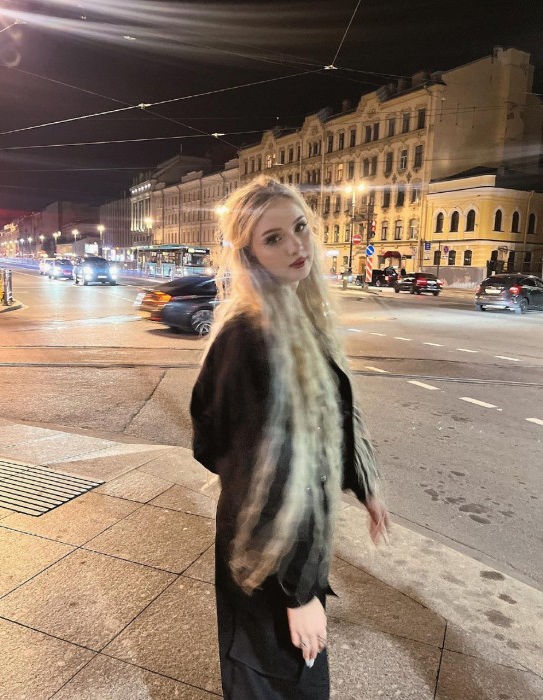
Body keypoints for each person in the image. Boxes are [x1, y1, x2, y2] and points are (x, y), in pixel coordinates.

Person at [190, 176, 389, 700]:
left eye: (300, 228)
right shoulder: (249, 338)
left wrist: (362, 482)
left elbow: (333, 414)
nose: (296, 245)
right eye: (273, 238)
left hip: (292, 550)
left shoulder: (299, 314)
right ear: (249, 254)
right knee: (274, 681)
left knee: (291, 680)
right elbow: (245, 469)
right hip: (266, 560)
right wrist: (298, 595)